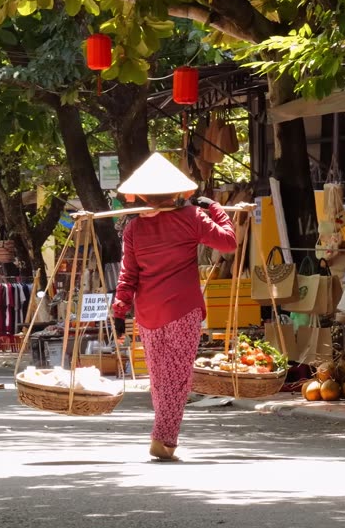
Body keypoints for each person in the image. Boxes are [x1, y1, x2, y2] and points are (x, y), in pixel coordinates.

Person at [110, 153, 238, 462]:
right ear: (176, 193)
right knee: (178, 378)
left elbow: (129, 275)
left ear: (141, 196)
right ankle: (162, 437)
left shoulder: (133, 229)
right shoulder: (192, 217)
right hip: (183, 309)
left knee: (161, 378)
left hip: (148, 313)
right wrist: (217, 211)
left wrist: (118, 311)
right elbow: (228, 243)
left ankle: (166, 440)